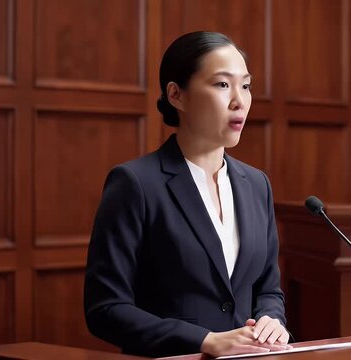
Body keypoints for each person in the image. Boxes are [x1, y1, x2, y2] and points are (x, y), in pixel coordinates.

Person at [84, 31, 291, 358]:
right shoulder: (135, 183)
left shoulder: (256, 184)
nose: (239, 100)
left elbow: (268, 289)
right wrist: (205, 340)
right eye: (223, 85)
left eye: (246, 85)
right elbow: (106, 308)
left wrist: (271, 320)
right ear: (177, 95)